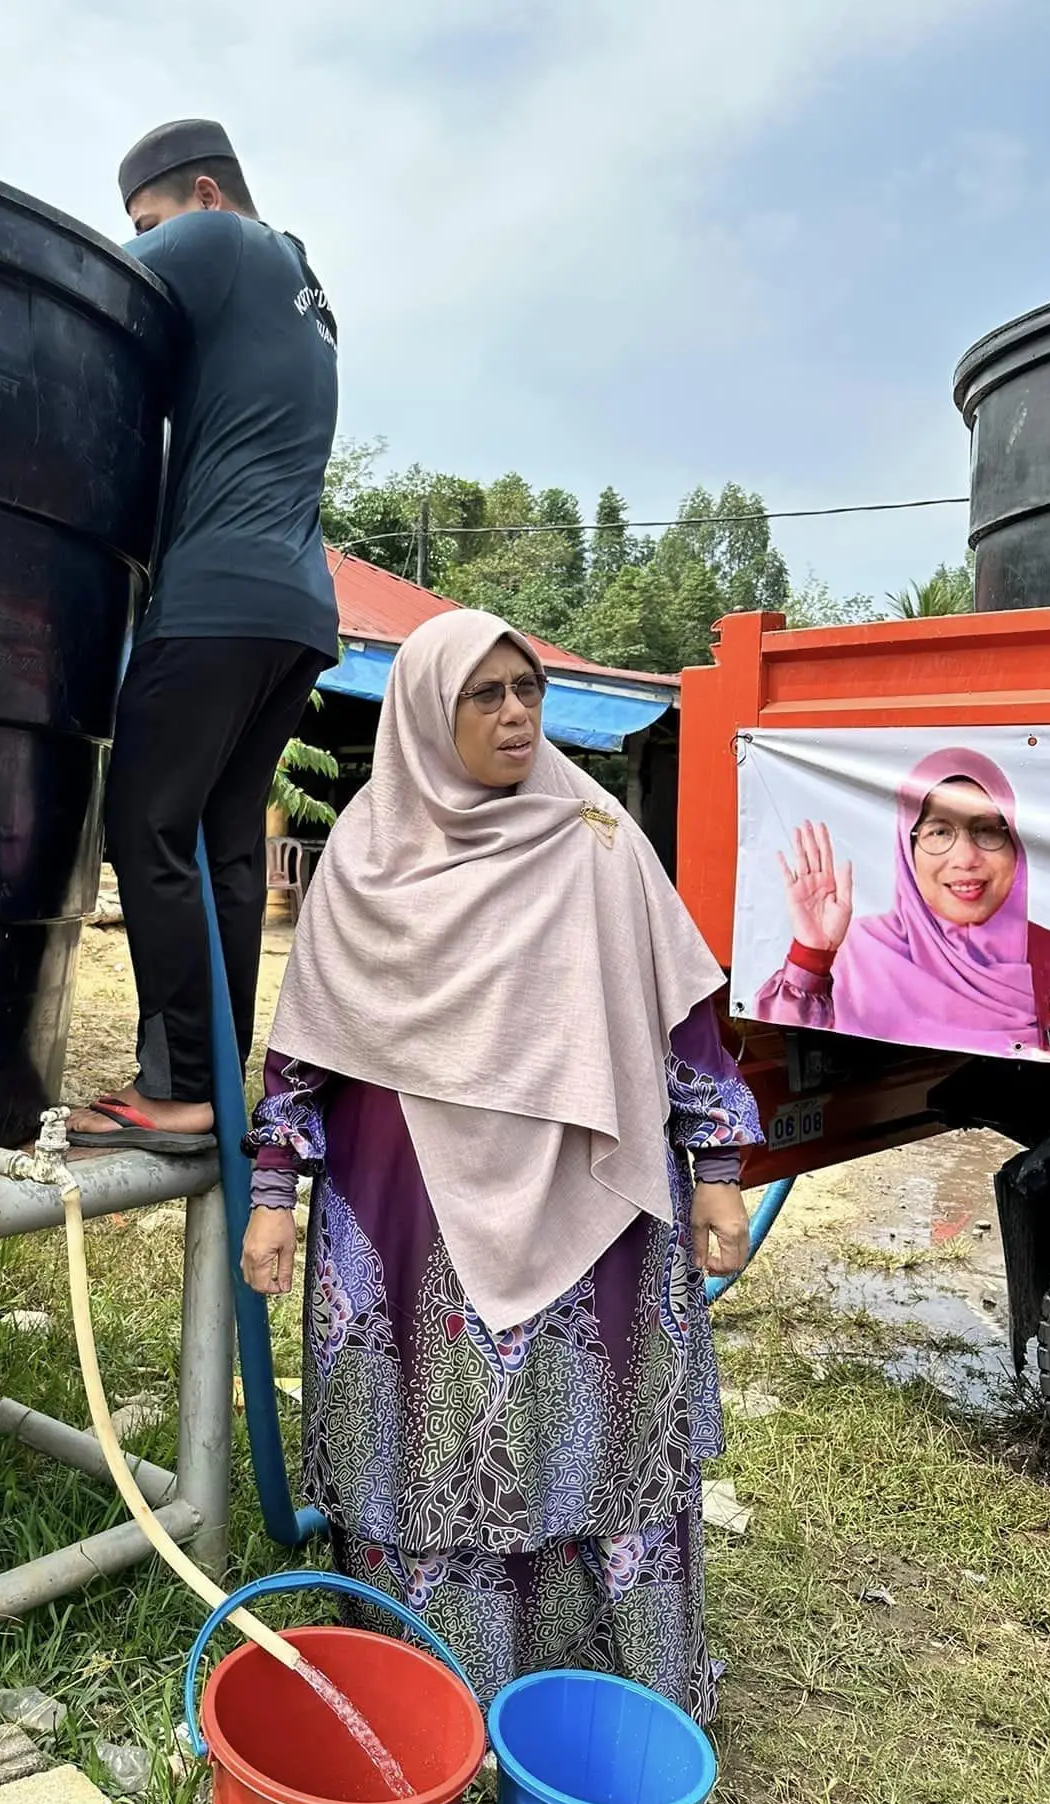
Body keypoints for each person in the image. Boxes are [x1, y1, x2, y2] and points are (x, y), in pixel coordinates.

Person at [239, 609, 763, 1715]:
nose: (517, 711)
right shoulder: (367, 857)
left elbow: (683, 1018)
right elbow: (304, 1047)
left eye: (526, 687)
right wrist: (275, 1190)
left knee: (591, 1421)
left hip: (589, 1196)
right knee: (428, 1429)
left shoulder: (595, 835)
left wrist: (717, 1163)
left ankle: (600, 1680)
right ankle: (436, 1687)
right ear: (430, 713)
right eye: (486, 694)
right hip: (406, 1206)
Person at [67, 119, 340, 1153]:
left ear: (205, 197)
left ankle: (179, 1088)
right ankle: (219, 1082)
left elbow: (82, 275)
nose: (143, 239)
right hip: (295, 612)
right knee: (225, 842)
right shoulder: (305, 297)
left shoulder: (224, 241)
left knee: (143, 826)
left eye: (150, 221)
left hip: (216, 600)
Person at [755, 746, 1050, 1061]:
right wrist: (812, 955)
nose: (966, 858)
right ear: (907, 849)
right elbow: (783, 1046)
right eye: (939, 832)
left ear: (1014, 844)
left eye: (988, 830)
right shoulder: (861, 953)